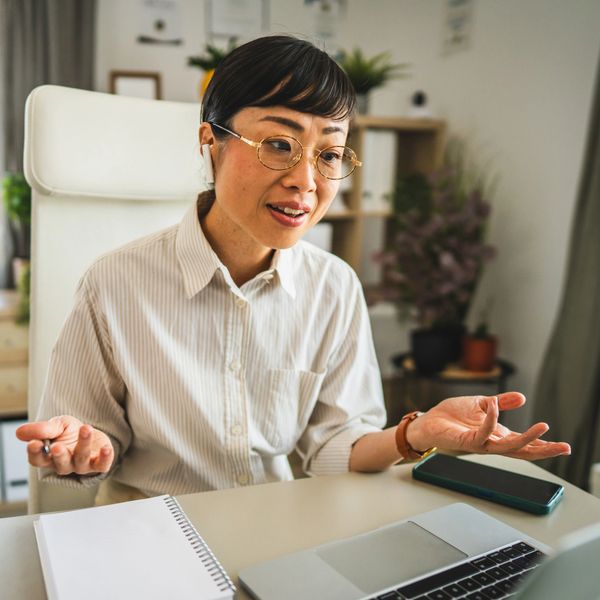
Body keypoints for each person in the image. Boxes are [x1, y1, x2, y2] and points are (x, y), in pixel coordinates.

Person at [16, 35, 570, 505]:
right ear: (210, 142)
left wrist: (414, 434)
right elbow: (91, 442)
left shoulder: (333, 288)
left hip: (277, 530)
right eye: (279, 145)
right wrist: (85, 448)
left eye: (329, 154)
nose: (306, 181)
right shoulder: (115, 283)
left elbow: (334, 447)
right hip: (154, 538)